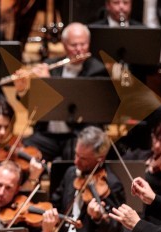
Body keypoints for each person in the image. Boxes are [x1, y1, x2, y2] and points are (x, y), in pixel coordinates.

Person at [14, 23, 107, 161]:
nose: (79, 50)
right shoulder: (51, 65)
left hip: (76, 135)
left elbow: (74, 106)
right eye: (74, 45)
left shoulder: (97, 71)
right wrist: (22, 90)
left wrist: (50, 83)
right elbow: (35, 108)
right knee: (22, 152)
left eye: (83, 44)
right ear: (64, 44)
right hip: (48, 135)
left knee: (78, 154)